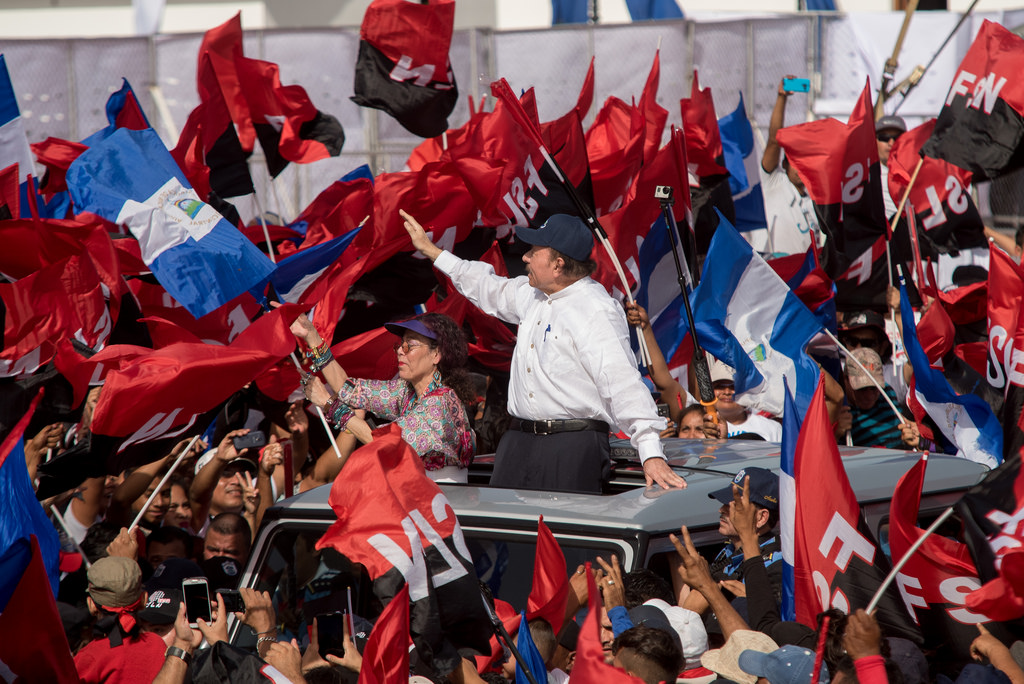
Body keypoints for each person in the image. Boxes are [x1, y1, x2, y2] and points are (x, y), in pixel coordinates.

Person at [401, 209, 684, 493]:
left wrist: (651, 452)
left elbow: (622, 382)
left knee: (563, 522)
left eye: (534, 251)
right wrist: (433, 252)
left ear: (558, 265)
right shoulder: (532, 294)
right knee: (503, 521)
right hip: (519, 441)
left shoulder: (595, 310)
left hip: (571, 446)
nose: (525, 257)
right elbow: (486, 285)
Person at [295, 311, 477, 483]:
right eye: (400, 345)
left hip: (442, 498)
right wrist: (312, 337)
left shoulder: (440, 401)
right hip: (420, 494)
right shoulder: (407, 391)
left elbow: (384, 442)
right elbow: (348, 389)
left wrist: (329, 404)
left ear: (436, 354)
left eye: (410, 346)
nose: (400, 351)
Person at [760, 76, 819, 256]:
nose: (801, 167)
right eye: (795, 161)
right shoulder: (773, 181)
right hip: (773, 269)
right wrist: (782, 97)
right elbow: (774, 141)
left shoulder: (816, 205)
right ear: (784, 164)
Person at [875, 115, 906, 220]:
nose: (891, 143)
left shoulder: (916, 174)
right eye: (884, 137)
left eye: (897, 138)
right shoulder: (866, 178)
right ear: (874, 141)